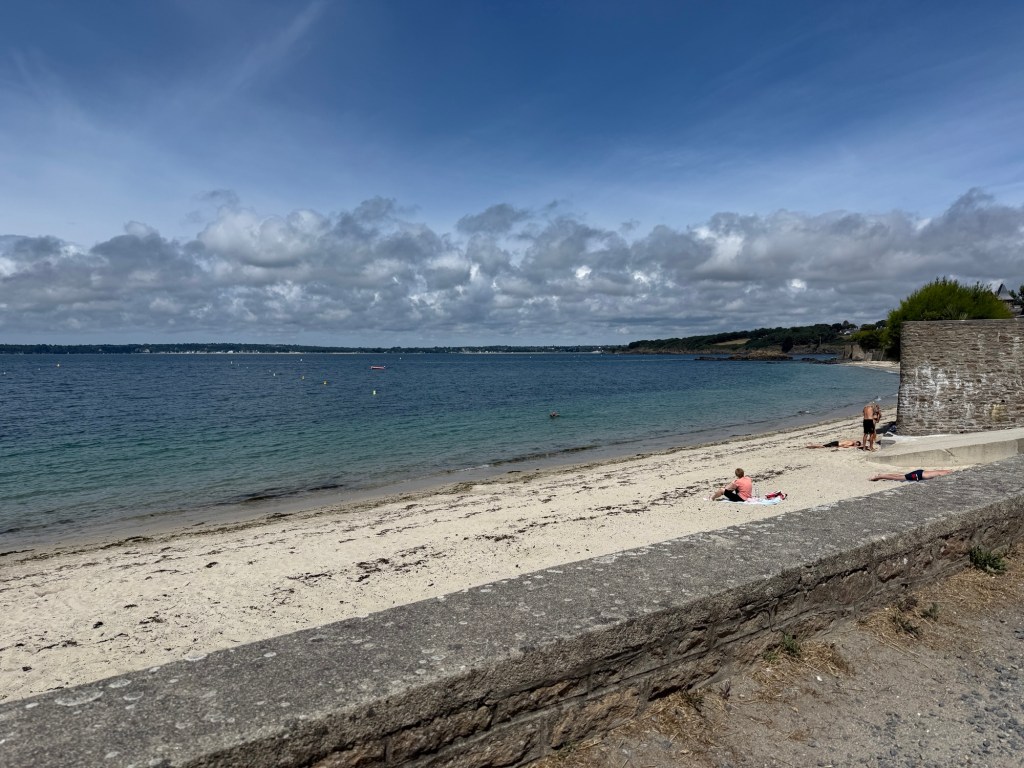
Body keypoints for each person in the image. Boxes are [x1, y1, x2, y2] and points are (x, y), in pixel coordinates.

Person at [869, 469, 954, 482]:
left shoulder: (948, 471)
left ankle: (882, 475)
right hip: (918, 475)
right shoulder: (946, 473)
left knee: (899, 476)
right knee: (899, 478)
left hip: (920, 472)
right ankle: (880, 476)